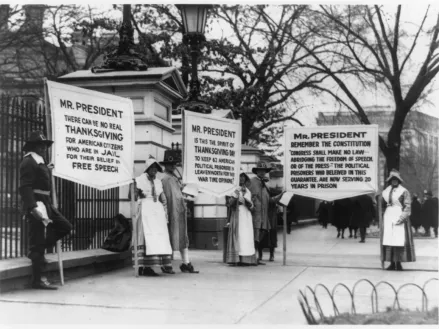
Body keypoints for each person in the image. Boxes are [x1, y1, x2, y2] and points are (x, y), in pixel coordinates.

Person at [19, 131, 72, 290]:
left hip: (46, 202)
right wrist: (33, 207)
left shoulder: (39, 161)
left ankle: (38, 252)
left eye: (44, 145)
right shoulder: (28, 161)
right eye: (40, 145)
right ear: (33, 147)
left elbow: (40, 178)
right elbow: (25, 187)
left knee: (65, 226)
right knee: (36, 240)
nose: (43, 148)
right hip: (37, 203)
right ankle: (37, 279)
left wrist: (48, 170)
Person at [132, 157, 173, 276]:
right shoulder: (139, 180)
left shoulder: (158, 182)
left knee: (157, 237)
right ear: (147, 169)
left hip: (157, 212)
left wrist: (165, 214)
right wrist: (136, 190)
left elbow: (163, 199)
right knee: (145, 238)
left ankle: (154, 265)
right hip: (145, 210)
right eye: (152, 168)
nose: (154, 170)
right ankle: (143, 266)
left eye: (156, 168)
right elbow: (133, 197)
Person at [160, 151, 199, 274]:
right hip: (171, 211)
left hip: (179, 211)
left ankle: (186, 262)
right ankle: (166, 264)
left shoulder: (174, 178)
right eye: (170, 164)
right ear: (165, 165)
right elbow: (167, 197)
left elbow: (178, 194)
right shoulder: (165, 178)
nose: (173, 166)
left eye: (174, 164)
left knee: (182, 236)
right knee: (169, 236)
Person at [249, 161, 283, 264]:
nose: (262, 172)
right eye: (260, 170)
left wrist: (281, 196)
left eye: (264, 171)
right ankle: (253, 257)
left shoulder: (266, 185)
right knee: (255, 236)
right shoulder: (252, 182)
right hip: (255, 215)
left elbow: (270, 200)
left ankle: (254, 257)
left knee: (261, 234)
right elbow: (250, 197)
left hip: (264, 216)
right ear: (257, 171)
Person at [381, 169, 415, 271]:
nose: (394, 181)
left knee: (399, 241)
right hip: (388, 217)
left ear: (399, 181)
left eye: (396, 180)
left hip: (399, 216)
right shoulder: (385, 192)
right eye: (392, 180)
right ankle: (391, 263)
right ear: (390, 181)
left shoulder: (404, 191)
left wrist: (402, 217)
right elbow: (382, 205)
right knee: (389, 240)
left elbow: (407, 206)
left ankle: (399, 263)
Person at [225, 172, 257, 266]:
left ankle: (247, 259)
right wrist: (235, 196)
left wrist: (249, 204)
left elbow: (253, 207)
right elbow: (229, 203)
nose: (242, 179)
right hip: (237, 215)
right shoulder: (233, 189)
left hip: (247, 216)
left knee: (246, 237)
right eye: (240, 177)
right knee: (239, 236)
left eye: (243, 177)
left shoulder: (248, 191)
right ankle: (236, 259)